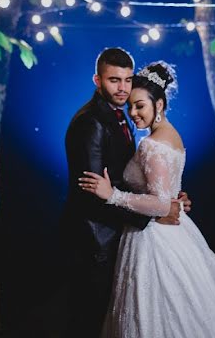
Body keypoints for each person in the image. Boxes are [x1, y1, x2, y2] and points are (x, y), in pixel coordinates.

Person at [79, 61, 215, 338]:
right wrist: (175, 199)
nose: (133, 113)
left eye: (140, 106)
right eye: (130, 106)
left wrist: (112, 195)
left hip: (153, 238)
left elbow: (159, 203)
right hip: (171, 231)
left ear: (159, 104)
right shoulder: (171, 136)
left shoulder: (152, 144)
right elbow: (166, 194)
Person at [62, 48, 191, 338]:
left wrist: (170, 198)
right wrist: (157, 213)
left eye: (127, 80)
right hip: (96, 241)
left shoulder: (124, 117)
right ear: (98, 80)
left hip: (121, 234)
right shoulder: (90, 123)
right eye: (114, 80)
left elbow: (134, 178)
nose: (122, 88)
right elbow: (92, 193)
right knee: (88, 322)